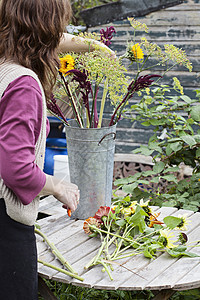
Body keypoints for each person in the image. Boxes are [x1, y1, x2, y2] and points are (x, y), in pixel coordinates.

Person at [0, 0, 113, 299]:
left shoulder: (3, 68)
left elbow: (37, 32)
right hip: (6, 228)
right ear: (48, 28)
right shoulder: (23, 84)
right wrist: (57, 186)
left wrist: (94, 48)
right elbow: (16, 168)